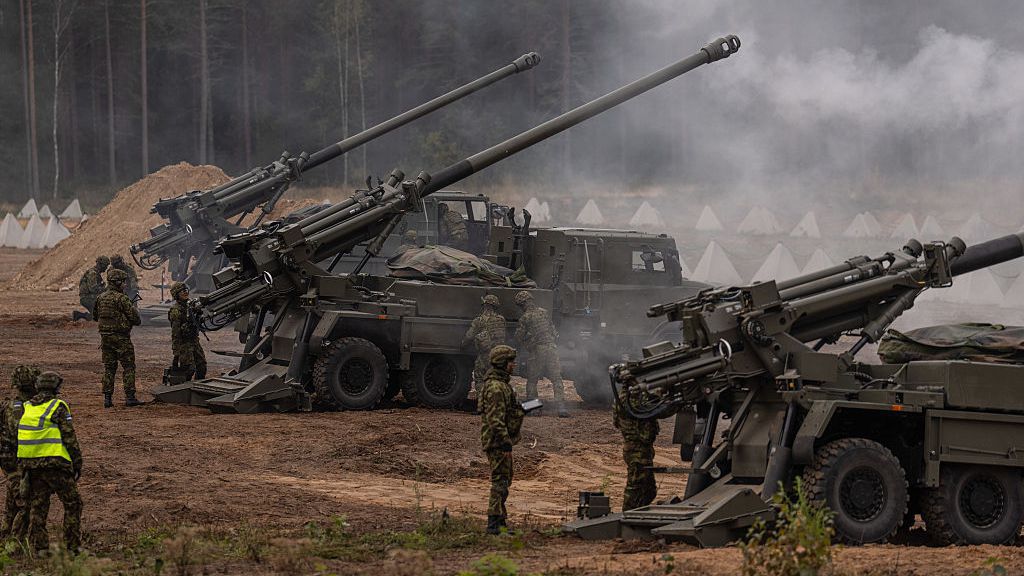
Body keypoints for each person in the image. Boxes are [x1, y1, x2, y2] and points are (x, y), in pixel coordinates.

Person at [18, 371, 83, 553]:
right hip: (54, 464)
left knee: (38, 505)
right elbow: (69, 437)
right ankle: (72, 547)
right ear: (56, 387)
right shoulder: (58, 406)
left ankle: (39, 548)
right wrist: (77, 462)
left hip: (30, 465)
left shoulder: (27, 406)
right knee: (73, 503)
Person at [478, 345, 524, 535]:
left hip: (500, 440)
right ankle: (493, 523)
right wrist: (505, 442)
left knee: (505, 480)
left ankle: (500, 521)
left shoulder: (500, 384)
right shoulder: (497, 388)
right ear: (502, 363)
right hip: (497, 442)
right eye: (511, 361)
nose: (514, 365)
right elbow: (495, 419)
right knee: (500, 481)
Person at [513, 290, 569, 418]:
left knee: (532, 380)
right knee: (556, 378)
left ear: (522, 304)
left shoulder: (525, 317)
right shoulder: (544, 312)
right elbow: (554, 332)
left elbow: (518, 337)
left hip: (537, 350)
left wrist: (528, 344)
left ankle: (534, 409)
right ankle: (561, 408)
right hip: (551, 348)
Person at [0, 365, 40, 540]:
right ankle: (16, 541)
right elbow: (20, 434)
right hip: (17, 458)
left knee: (13, 494)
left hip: (9, 457)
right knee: (25, 500)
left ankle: (6, 530)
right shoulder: (24, 408)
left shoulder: (12, 404)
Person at [95, 268, 142, 407]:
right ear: (117, 282)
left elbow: (95, 316)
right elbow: (136, 319)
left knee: (109, 368)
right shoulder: (122, 299)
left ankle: (108, 399)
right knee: (128, 367)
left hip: (105, 338)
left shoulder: (100, 298)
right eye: (123, 282)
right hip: (121, 339)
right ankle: (130, 397)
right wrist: (132, 309)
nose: (125, 285)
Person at [613, 386, 659, 510]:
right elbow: (647, 434)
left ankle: (639, 512)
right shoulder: (634, 400)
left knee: (649, 490)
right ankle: (627, 515)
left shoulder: (622, 397)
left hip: (637, 449)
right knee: (635, 487)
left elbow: (616, 422)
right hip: (637, 451)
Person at [463, 295, 507, 387]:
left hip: (484, 356)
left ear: (484, 305)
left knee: (480, 380)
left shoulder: (479, 320)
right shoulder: (501, 319)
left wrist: (463, 345)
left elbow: (469, 336)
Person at [168, 282, 207, 381]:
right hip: (183, 343)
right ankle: (183, 389)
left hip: (194, 341)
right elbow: (175, 332)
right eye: (182, 291)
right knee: (189, 369)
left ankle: (197, 387)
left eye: (186, 290)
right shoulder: (176, 310)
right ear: (176, 294)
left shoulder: (191, 305)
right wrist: (176, 351)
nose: (185, 292)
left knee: (202, 366)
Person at [76, 256, 109, 321]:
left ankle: (80, 315)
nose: (106, 268)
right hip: (87, 298)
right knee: (98, 317)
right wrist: (105, 289)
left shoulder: (96, 273)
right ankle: (80, 315)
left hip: (90, 297)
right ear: (101, 265)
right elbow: (93, 289)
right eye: (105, 265)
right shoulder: (92, 273)